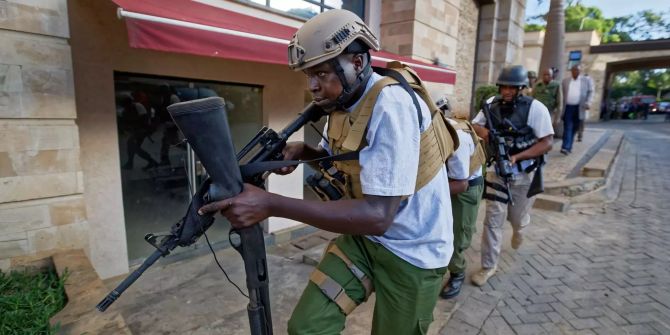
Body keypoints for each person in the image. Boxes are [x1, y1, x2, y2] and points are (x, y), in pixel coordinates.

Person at [199, 9, 455, 334]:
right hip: (366, 241)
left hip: (414, 251)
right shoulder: (343, 102)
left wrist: (271, 203)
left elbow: (378, 214)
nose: (313, 86)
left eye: (320, 74)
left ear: (357, 63)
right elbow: (353, 162)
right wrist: (308, 153)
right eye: (308, 76)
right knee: (307, 327)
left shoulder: (391, 106)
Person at [470, 65, 554, 287]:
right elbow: (475, 125)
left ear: (521, 88)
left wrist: (518, 157)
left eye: (512, 87)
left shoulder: (536, 108)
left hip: (524, 173)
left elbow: (547, 142)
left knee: (516, 217)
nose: (507, 91)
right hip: (497, 172)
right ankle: (488, 266)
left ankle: (520, 228)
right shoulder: (491, 105)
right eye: (504, 86)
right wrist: (486, 133)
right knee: (492, 220)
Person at [435, 96, 486, 299]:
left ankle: (457, 272)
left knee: (456, 238)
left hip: (464, 190)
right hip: (448, 183)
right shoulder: (438, 130)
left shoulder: (458, 136)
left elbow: (461, 183)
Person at [560, 64, 593, 154]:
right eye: (574, 70)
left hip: (579, 108)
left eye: (577, 70)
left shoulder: (586, 81)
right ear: (571, 71)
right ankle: (565, 147)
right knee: (568, 127)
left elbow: (590, 92)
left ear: (580, 71)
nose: (575, 72)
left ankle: (569, 147)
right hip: (568, 107)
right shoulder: (566, 81)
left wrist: (588, 102)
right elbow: (561, 94)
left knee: (575, 128)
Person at [532, 68, 562, 135]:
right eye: (545, 75)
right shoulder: (537, 84)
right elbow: (531, 98)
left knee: (546, 133)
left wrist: (557, 118)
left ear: (552, 76)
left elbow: (560, 102)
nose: (546, 76)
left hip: (549, 112)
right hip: (537, 112)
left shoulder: (556, 85)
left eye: (548, 75)